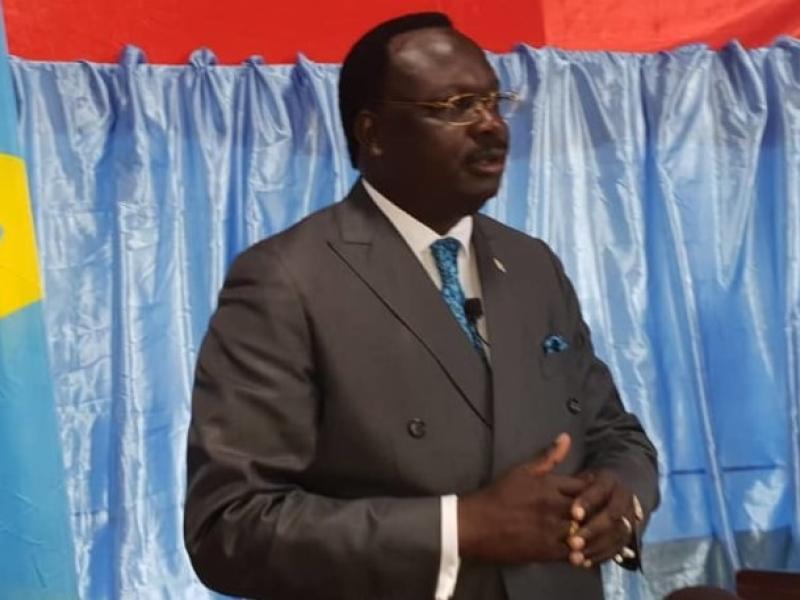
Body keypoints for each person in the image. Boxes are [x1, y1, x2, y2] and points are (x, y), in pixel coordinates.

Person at [184, 12, 659, 600]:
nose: (491, 125)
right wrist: (460, 529)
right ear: (373, 132)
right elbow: (229, 526)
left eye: (493, 101)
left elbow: (614, 432)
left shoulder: (533, 265)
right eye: (456, 106)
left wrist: (622, 495)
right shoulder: (286, 280)